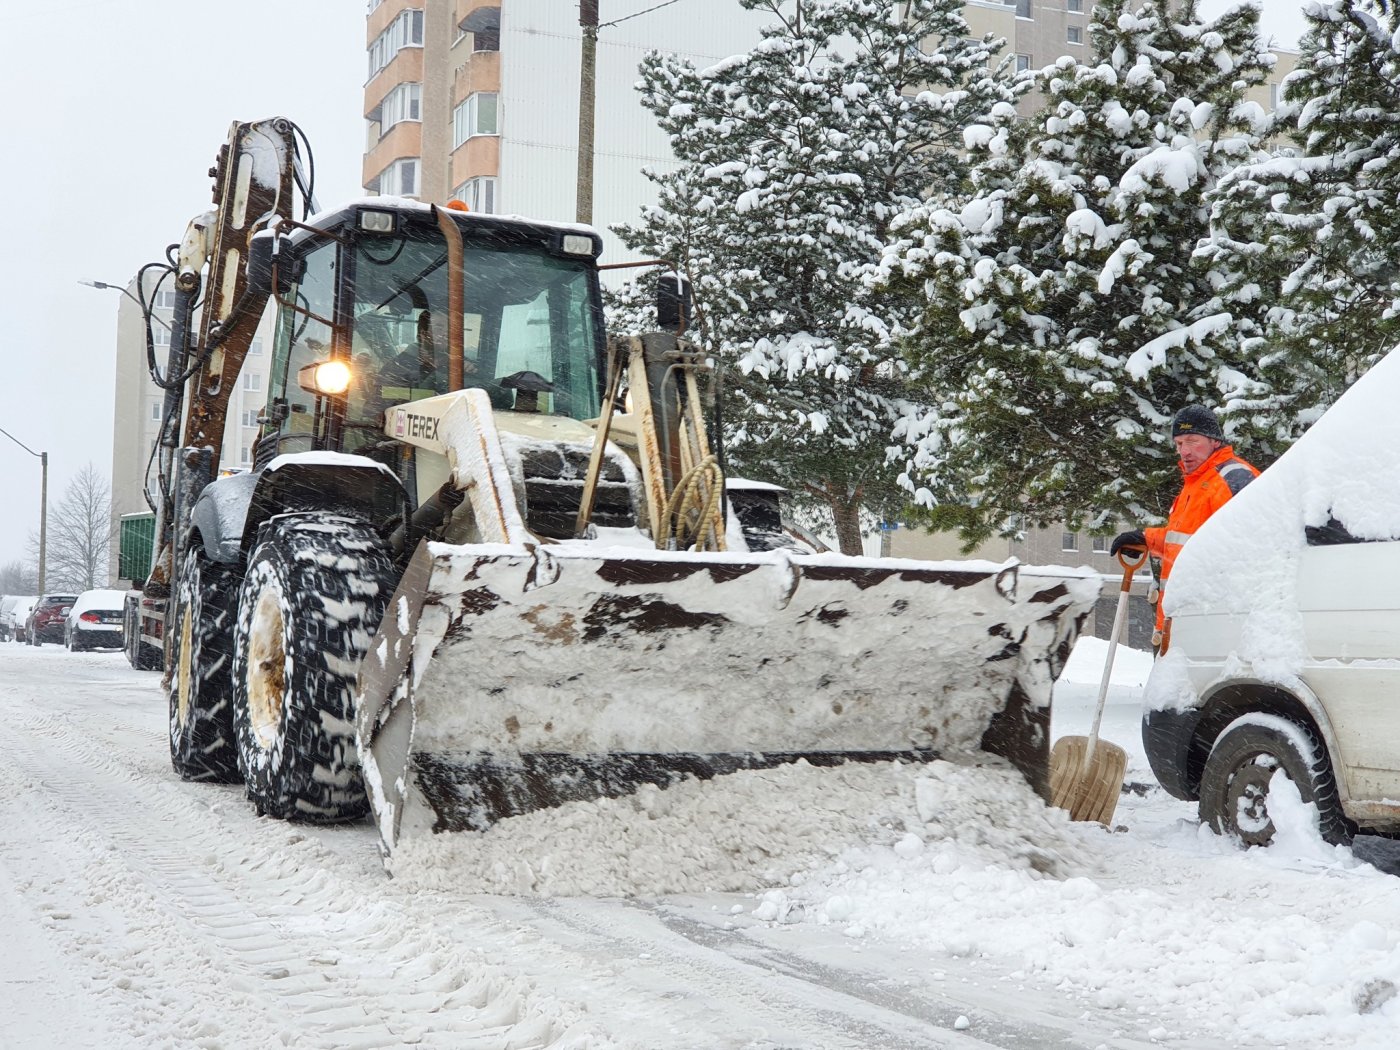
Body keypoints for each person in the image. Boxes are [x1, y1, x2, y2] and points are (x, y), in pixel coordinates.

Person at [1110, 404, 1259, 644]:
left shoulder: (1233, 478)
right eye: (1179, 443)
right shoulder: (1196, 483)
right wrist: (1146, 538)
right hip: (1180, 622)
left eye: (1192, 441)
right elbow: (1185, 539)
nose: (1185, 451)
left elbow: (1253, 546)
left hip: (1211, 622)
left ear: (1215, 442)